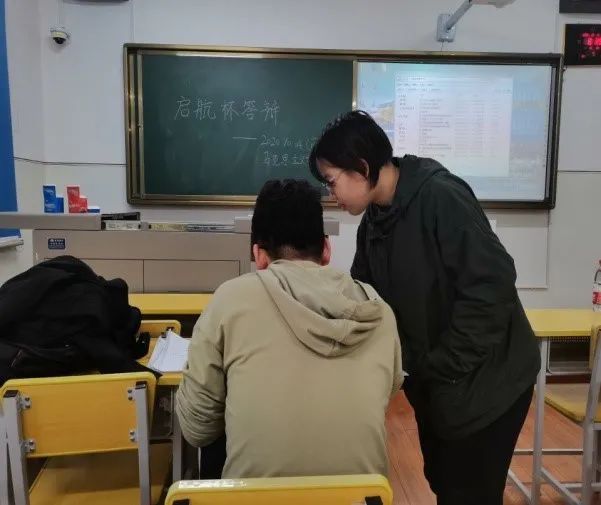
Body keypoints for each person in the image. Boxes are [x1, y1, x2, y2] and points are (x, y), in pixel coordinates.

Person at [309, 110, 540, 505]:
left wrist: (439, 366)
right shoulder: (375, 220)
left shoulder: (440, 197)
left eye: (331, 182)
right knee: (445, 482)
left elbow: (492, 287)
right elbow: (364, 298)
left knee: (469, 492)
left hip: (488, 383)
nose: (331, 195)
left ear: (362, 168)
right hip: (439, 384)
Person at [176, 179, 402, 478]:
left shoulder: (230, 300)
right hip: (360, 496)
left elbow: (197, 429)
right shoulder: (379, 310)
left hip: (256, 498)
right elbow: (390, 389)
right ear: (326, 249)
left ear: (259, 255)